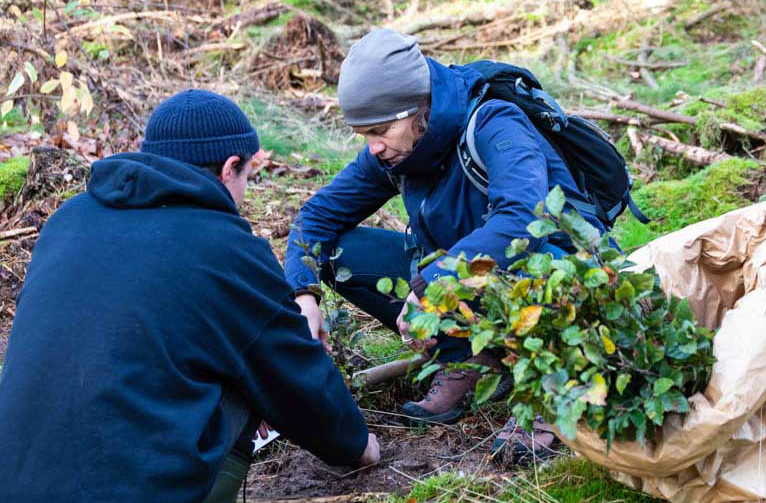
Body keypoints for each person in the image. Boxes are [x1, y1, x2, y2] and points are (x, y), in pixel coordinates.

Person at [0, 90, 379, 503]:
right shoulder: (224, 247)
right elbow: (295, 374)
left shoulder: (66, 221)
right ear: (230, 167)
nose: (245, 196)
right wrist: (357, 445)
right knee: (251, 372)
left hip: (15, 482)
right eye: (248, 177)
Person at [285, 28, 612, 458]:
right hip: (471, 284)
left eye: (381, 130)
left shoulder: (495, 123)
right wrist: (303, 294)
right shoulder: (397, 149)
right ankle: (467, 361)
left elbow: (523, 220)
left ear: (418, 106)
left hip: (555, 274)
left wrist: (434, 284)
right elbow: (317, 217)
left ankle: (552, 388)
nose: (374, 147)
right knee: (343, 253)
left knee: (538, 259)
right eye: (364, 134)